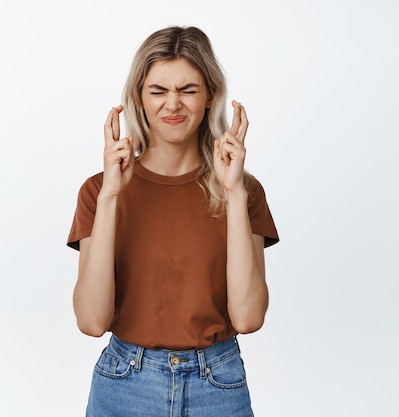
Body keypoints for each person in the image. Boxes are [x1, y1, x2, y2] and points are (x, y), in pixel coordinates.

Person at [67, 25, 279, 417]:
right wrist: (113, 196)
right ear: (138, 98)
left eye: (188, 90)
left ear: (210, 96)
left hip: (218, 383)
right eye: (158, 91)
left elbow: (248, 318)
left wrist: (233, 194)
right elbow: (92, 321)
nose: (173, 104)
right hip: (125, 384)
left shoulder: (243, 191)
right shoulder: (99, 191)